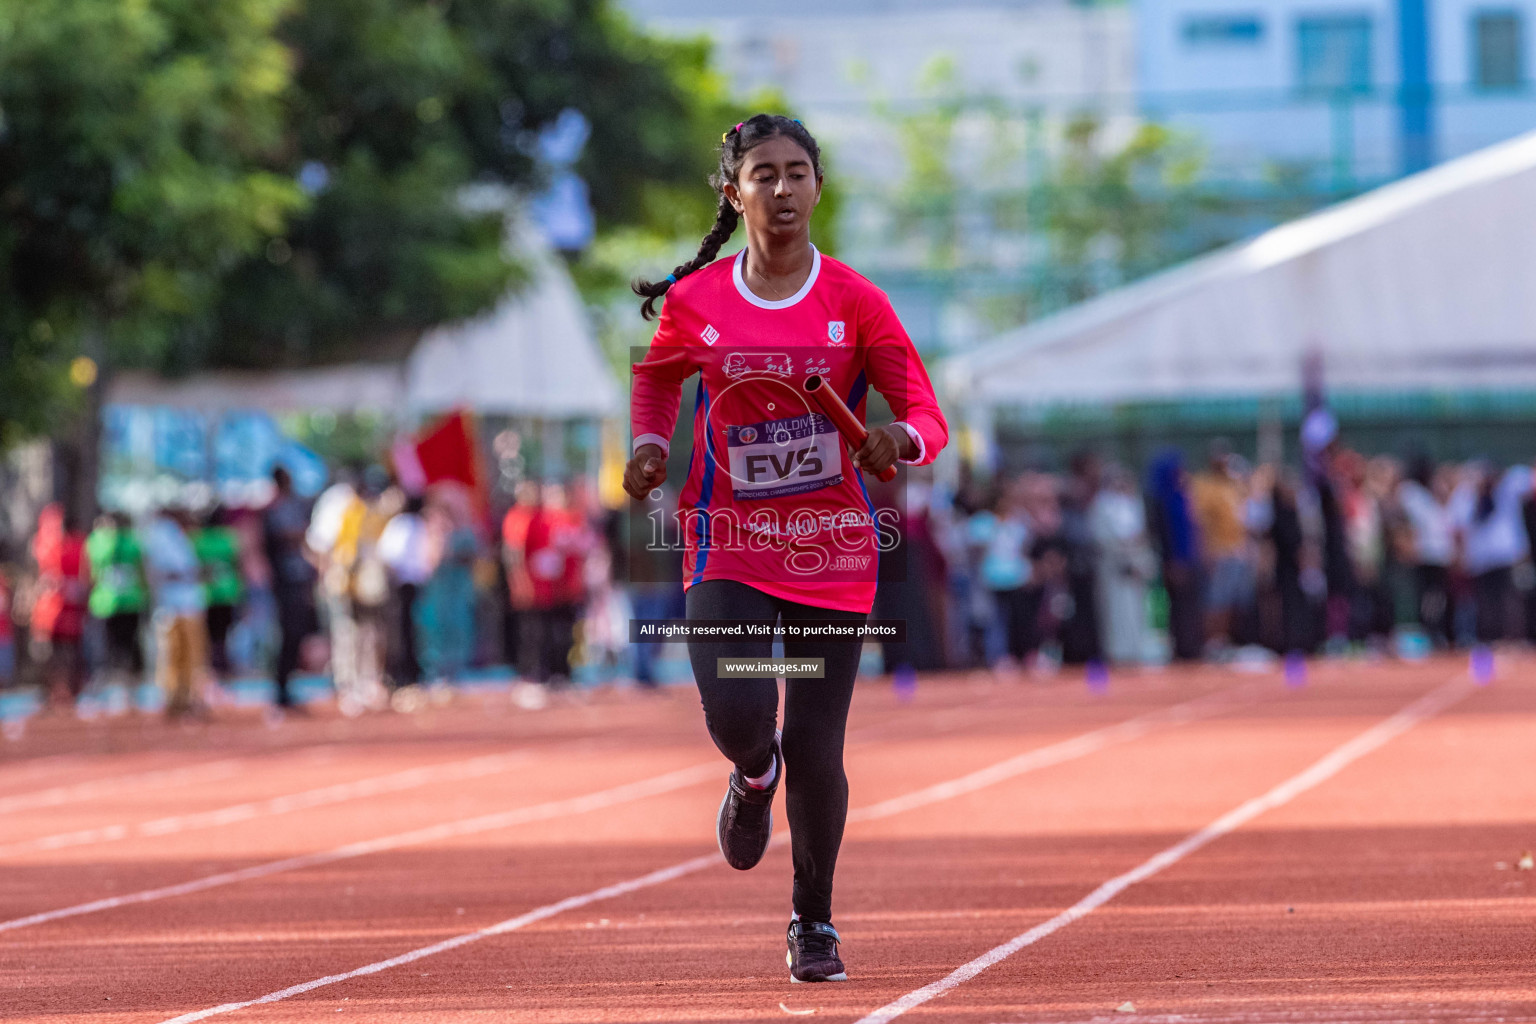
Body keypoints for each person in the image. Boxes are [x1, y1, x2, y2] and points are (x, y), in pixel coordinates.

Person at [625, 114, 948, 983]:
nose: (782, 188)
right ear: (734, 192)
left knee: (817, 739)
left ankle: (814, 920)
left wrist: (899, 444)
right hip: (728, 543)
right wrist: (651, 447)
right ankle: (751, 773)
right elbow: (656, 376)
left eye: (797, 171)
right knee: (739, 714)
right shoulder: (699, 302)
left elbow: (925, 412)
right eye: (763, 173)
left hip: (833, 553)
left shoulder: (855, 301)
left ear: (817, 186)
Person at [142, 506, 209, 719]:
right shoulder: (162, 535)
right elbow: (159, 572)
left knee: (184, 656)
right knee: (175, 655)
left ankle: (184, 698)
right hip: (171, 605)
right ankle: (176, 699)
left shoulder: (178, 538)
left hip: (183, 604)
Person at [262, 466, 318, 715]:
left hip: (297, 581)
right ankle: (280, 693)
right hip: (284, 584)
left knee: (296, 637)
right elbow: (288, 536)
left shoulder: (290, 505)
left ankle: (287, 690)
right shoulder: (274, 508)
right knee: (286, 636)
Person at [1089, 464, 1155, 664]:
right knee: (1115, 612)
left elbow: (1141, 533)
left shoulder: (1132, 503)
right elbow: (1101, 538)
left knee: (1136, 610)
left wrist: (1138, 557)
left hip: (1134, 564)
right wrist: (1123, 552)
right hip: (1113, 567)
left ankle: (1135, 650)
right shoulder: (1102, 505)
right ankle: (1117, 653)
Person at [30, 503, 90, 708]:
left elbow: (85, 578)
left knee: (70, 652)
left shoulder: (76, 546)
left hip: (69, 610)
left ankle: (69, 691)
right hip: (50, 612)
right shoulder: (44, 545)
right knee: (52, 653)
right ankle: (55, 691)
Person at [85, 511, 147, 690]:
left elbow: (88, 574)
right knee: (125, 644)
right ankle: (127, 682)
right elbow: (142, 571)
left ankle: (112, 681)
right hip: (126, 601)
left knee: (109, 645)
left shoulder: (96, 542)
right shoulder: (133, 541)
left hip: (106, 602)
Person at [379, 494, 430, 689]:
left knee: (402, 631)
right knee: (406, 630)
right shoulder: (414, 524)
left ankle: (403, 673)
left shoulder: (403, 523)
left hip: (403, 584)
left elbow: (389, 554)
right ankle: (406, 673)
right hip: (408, 584)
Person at [192, 507, 243, 681]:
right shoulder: (228, 538)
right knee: (223, 636)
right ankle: (222, 669)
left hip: (209, 595)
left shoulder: (199, 540)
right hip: (226, 593)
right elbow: (238, 565)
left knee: (211, 637)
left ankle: (214, 671)